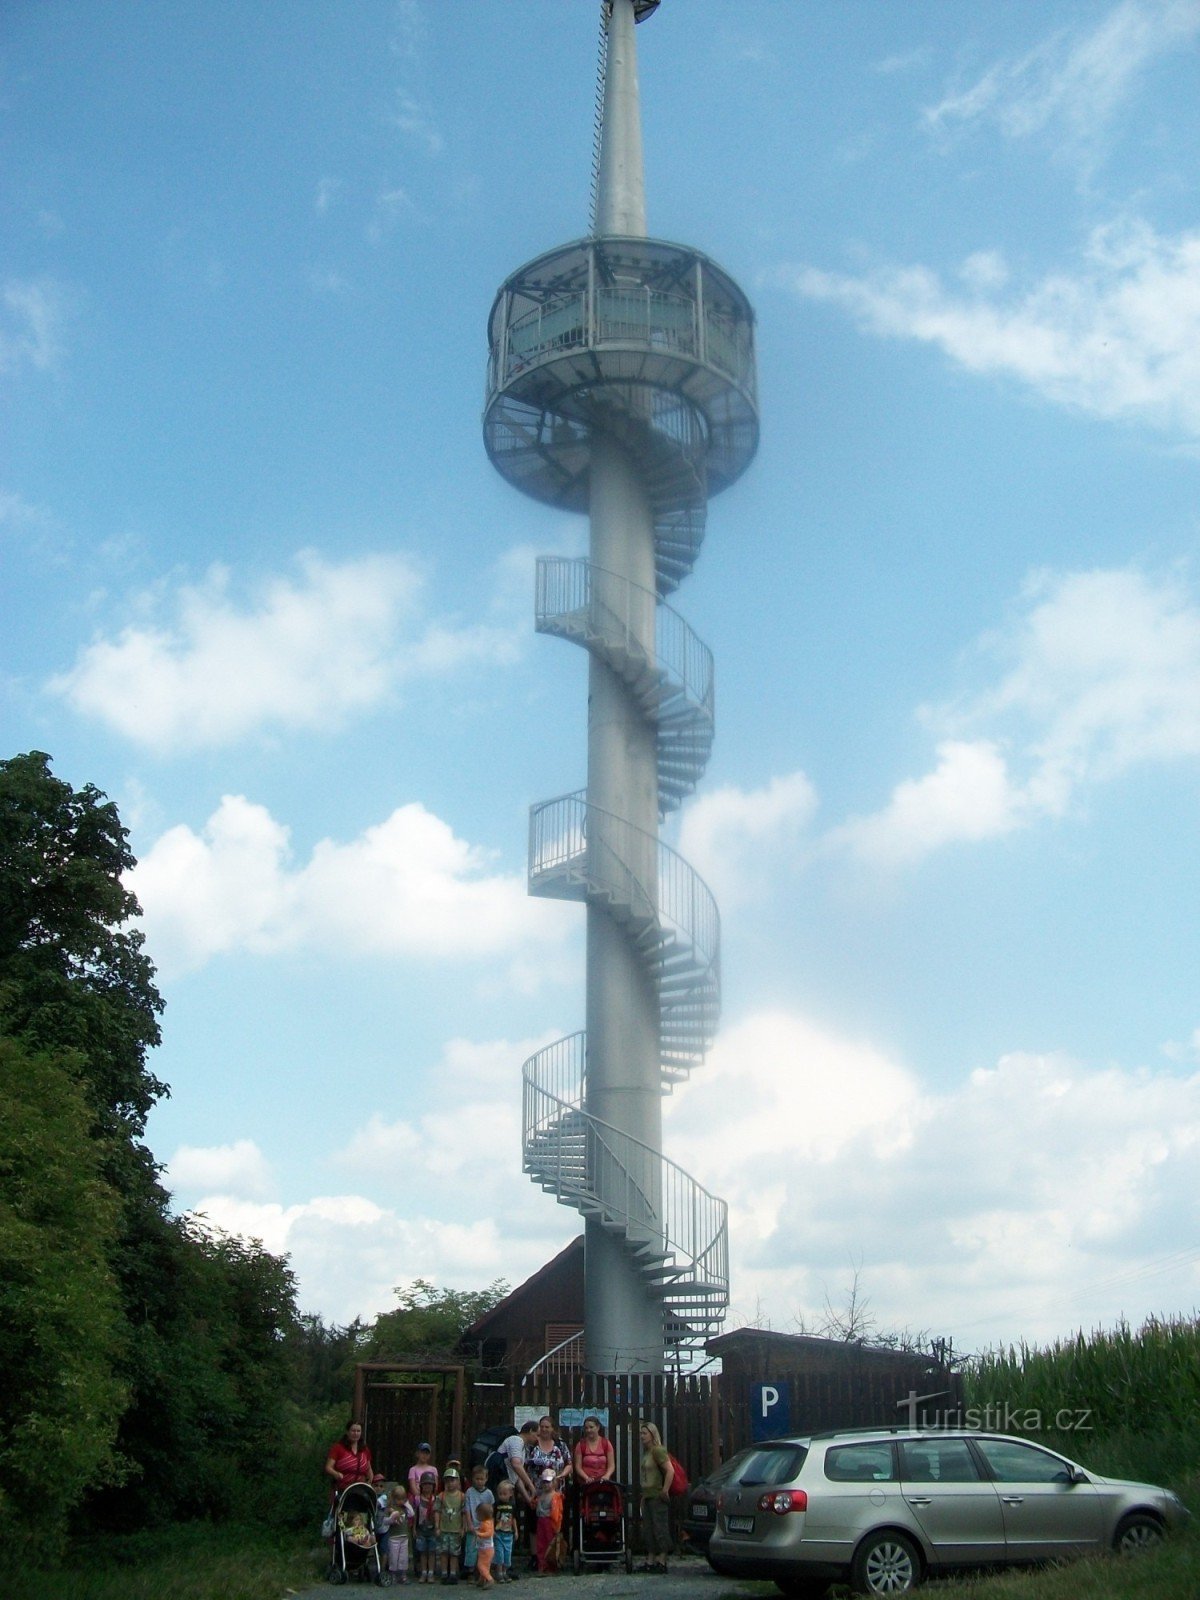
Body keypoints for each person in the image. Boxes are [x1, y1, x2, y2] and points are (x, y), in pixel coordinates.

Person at [525, 1417, 569, 1572]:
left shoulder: (560, 1445)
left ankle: (553, 1557)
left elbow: (569, 1463)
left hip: (555, 1491)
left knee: (553, 1524)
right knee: (534, 1524)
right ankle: (535, 1557)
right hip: (536, 1489)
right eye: (542, 1427)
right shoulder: (533, 1445)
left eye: (547, 1427)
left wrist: (562, 1475)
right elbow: (525, 1465)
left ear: (552, 1428)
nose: (544, 1429)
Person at [637, 1421, 674, 1574]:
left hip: (657, 1495)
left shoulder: (658, 1451)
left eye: (644, 1433)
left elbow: (670, 1471)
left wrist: (665, 1490)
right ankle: (650, 1559)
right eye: (641, 1433)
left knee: (660, 1527)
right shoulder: (646, 1452)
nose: (641, 1436)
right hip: (647, 1495)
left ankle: (662, 1559)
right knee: (649, 1529)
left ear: (652, 1434)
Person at [325, 1420, 374, 1503]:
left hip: (359, 1491)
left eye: (358, 1431)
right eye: (353, 1431)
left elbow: (369, 1470)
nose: (355, 1433)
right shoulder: (338, 1448)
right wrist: (336, 1474)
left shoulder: (365, 1450)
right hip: (342, 1490)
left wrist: (369, 1483)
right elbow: (328, 1467)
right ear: (347, 1432)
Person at [464, 1464, 495, 1583]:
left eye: (482, 1479)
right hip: (473, 1526)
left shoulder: (489, 1494)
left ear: (486, 1479)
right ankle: (471, 1572)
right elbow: (467, 1509)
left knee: (484, 1551)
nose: (479, 1481)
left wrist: (491, 1526)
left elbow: (491, 1511)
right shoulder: (469, 1492)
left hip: (485, 1527)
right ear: (473, 1478)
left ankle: (484, 1573)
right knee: (471, 1550)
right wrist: (469, 1523)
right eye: (477, 1479)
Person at [436, 1464, 466, 1584]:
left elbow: (464, 1512)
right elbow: (437, 1511)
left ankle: (453, 1573)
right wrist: (437, 1526)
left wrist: (463, 1527)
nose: (450, 1483)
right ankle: (444, 1573)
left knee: (454, 1553)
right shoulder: (441, 1496)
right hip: (444, 1529)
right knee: (443, 1552)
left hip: (455, 1529)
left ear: (458, 1481)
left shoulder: (462, 1496)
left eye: (452, 1480)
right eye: (447, 1480)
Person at [533, 1468, 563, 1574]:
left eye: (548, 1482)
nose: (546, 1484)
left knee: (551, 1544)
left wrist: (556, 1526)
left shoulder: (556, 1496)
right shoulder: (540, 1495)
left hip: (550, 1523)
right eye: (544, 1482)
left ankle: (551, 1566)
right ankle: (542, 1566)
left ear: (554, 1482)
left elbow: (558, 1513)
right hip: (541, 1521)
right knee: (541, 1544)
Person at [572, 1416, 614, 1486]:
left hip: (603, 1482)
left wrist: (607, 1475)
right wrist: (586, 1478)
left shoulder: (606, 1443)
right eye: (586, 1428)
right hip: (586, 1483)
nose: (588, 1430)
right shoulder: (581, 1445)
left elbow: (611, 1465)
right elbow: (578, 1467)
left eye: (591, 1427)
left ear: (598, 1427)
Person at [387, 1482, 416, 1584]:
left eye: (403, 1499)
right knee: (394, 1557)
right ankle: (393, 1574)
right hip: (394, 1537)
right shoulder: (391, 1509)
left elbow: (412, 1513)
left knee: (403, 1557)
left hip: (404, 1536)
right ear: (394, 1499)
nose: (400, 1501)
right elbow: (386, 1521)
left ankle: (403, 1575)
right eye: (398, 1499)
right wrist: (392, 1517)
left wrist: (406, 1503)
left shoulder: (404, 1508)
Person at [415, 1470, 440, 1584]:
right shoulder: (417, 1499)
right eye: (425, 1484)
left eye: (430, 1484)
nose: (427, 1486)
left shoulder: (436, 1500)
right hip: (421, 1529)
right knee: (423, 1552)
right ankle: (423, 1572)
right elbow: (415, 1515)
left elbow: (438, 1514)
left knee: (432, 1552)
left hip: (432, 1529)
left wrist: (438, 1527)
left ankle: (431, 1572)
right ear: (421, 1485)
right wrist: (414, 1529)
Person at [492, 1478, 518, 1584]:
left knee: (507, 1554)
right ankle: (498, 1573)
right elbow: (493, 1517)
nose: (502, 1496)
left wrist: (516, 1531)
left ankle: (504, 1571)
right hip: (498, 1532)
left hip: (509, 1533)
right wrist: (492, 1529)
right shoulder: (496, 1505)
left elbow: (514, 1519)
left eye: (504, 1493)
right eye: (500, 1493)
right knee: (499, 1554)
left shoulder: (512, 1505)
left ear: (510, 1494)